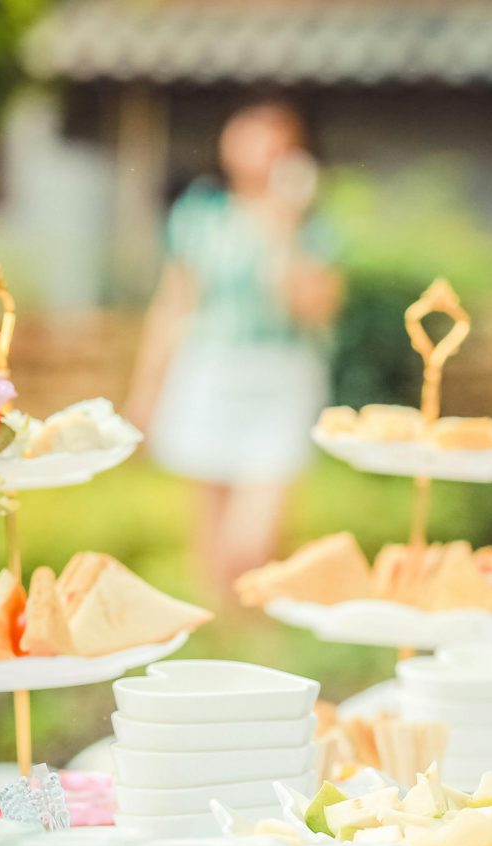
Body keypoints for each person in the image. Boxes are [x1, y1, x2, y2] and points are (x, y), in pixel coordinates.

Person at [126, 101, 344, 598]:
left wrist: (283, 229)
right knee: (210, 537)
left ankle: (258, 631)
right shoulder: (202, 214)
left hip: (279, 377)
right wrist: (145, 393)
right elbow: (173, 306)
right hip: (210, 371)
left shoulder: (311, 228)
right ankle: (227, 641)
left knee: (252, 542)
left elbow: (314, 308)